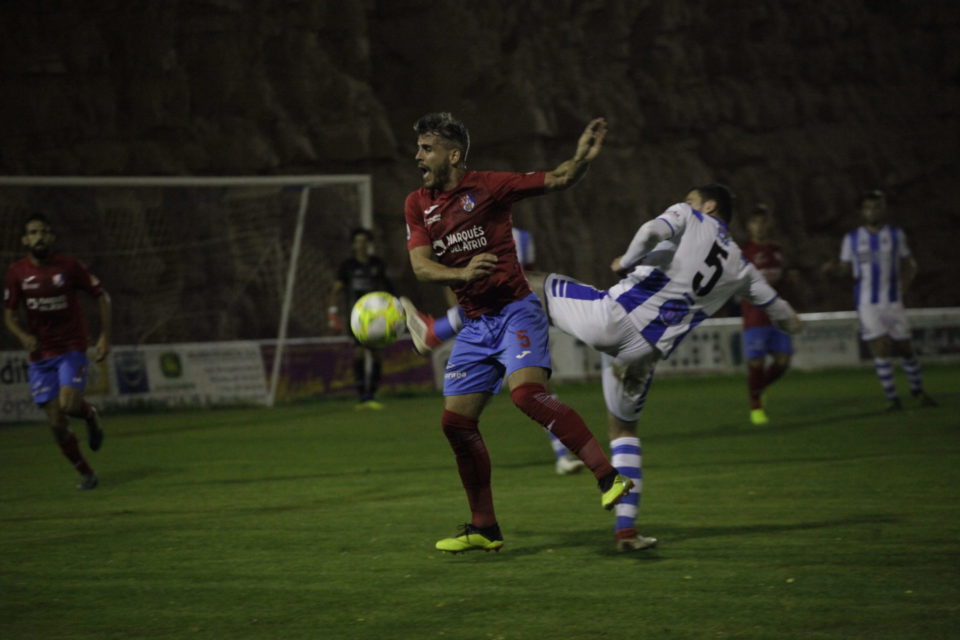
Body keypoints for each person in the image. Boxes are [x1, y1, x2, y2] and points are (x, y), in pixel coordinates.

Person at [401, 111, 631, 554]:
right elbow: (420, 266)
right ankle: (484, 528)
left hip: (515, 312)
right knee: (456, 424)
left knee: (526, 396)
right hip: (476, 324)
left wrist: (582, 158)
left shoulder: (490, 186)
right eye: (419, 148)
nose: (418, 156)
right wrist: (463, 272)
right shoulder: (417, 204)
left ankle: (609, 476)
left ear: (454, 155)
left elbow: (560, 178)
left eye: (427, 149)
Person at [3, 213, 110, 490]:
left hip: (71, 347)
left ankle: (89, 415)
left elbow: (101, 295)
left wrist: (104, 336)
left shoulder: (69, 267)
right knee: (56, 424)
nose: (38, 237)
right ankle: (86, 474)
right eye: (33, 232)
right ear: (25, 240)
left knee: (69, 405)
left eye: (43, 231)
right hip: (41, 356)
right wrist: (23, 336)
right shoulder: (17, 272)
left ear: (51, 237)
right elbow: (9, 315)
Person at [823, 190, 936, 410]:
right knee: (882, 348)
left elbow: (910, 264)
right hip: (867, 303)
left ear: (884, 210)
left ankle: (918, 391)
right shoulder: (852, 238)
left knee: (905, 349)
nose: (872, 211)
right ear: (862, 211)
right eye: (868, 208)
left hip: (892, 301)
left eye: (877, 207)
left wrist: (903, 286)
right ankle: (893, 398)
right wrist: (832, 270)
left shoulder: (895, 235)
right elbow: (845, 270)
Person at [328, 228, 396, 410]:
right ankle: (362, 397)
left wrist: (394, 309)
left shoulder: (377, 264)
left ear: (369, 244)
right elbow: (336, 290)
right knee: (358, 353)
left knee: (376, 354)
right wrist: (332, 313)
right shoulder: (348, 266)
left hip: (377, 318)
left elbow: (389, 288)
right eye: (358, 241)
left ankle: (372, 394)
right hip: (356, 318)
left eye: (365, 241)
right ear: (353, 245)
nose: (361, 245)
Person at [739, 205, 794, 425]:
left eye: (763, 222)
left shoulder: (777, 249)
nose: (760, 226)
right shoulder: (744, 252)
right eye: (755, 222)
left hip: (777, 315)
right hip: (755, 315)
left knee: (783, 361)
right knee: (757, 362)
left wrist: (790, 279)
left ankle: (758, 388)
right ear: (749, 226)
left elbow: (782, 278)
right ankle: (756, 407)